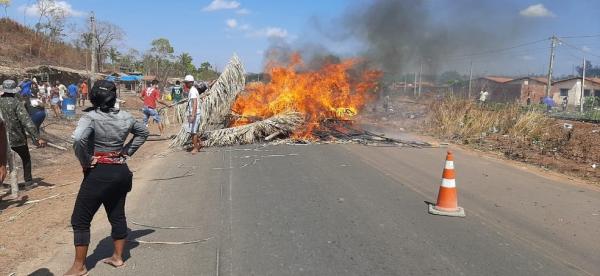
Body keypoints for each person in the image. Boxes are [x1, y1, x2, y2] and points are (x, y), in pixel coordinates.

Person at [65, 80, 149, 276]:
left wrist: (85, 160)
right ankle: (118, 257)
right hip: (120, 171)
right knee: (117, 214)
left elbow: (78, 139)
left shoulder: (91, 117)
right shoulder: (126, 117)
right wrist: (127, 151)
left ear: (94, 96)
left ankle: (78, 267)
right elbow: (143, 132)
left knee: (80, 219)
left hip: (99, 172)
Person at [0, 80, 47, 185]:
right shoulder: (16, 103)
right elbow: (27, 121)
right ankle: (28, 182)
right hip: (17, 137)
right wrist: (37, 137)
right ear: (14, 91)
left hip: (2, 139)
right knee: (26, 158)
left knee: (1, 163)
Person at [183, 75, 206, 154]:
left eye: (186, 83)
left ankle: (195, 148)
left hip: (195, 113)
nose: (185, 84)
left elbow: (195, 103)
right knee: (192, 131)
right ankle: (200, 143)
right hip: (194, 112)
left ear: (190, 83)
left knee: (193, 132)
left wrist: (193, 115)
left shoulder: (192, 91)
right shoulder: (192, 90)